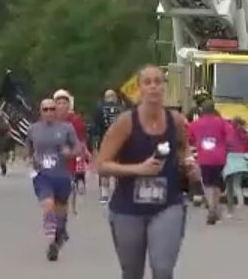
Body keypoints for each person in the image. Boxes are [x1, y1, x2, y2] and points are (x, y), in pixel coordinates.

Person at [97, 64, 198, 279]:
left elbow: (183, 149)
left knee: (163, 268)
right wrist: (139, 169)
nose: (153, 87)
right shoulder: (126, 122)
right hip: (127, 208)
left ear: (164, 87)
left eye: (158, 82)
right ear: (140, 88)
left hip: (167, 204)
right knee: (132, 272)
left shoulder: (176, 121)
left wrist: (188, 164)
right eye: (147, 82)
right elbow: (101, 164)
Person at [26, 97, 80, 261]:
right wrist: (30, 159)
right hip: (42, 175)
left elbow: (78, 148)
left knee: (61, 210)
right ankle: (51, 243)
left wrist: (69, 153)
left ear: (56, 111)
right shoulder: (34, 129)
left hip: (62, 174)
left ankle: (60, 233)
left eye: (52, 109)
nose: (49, 112)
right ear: (41, 112)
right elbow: (28, 146)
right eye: (45, 109)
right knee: (48, 205)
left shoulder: (66, 128)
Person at [188, 101, 231, 225]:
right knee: (217, 183)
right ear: (213, 110)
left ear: (202, 111)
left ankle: (211, 208)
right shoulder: (222, 122)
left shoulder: (195, 124)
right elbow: (230, 135)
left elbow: (189, 138)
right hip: (220, 158)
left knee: (207, 183)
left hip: (204, 158)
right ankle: (215, 208)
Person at [95, 89, 126, 203]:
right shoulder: (122, 108)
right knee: (119, 167)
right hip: (120, 141)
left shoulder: (100, 109)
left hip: (105, 141)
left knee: (104, 167)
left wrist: (95, 142)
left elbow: (96, 126)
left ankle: (104, 194)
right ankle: (119, 192)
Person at [223, 116, 248, 220]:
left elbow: (225, 146)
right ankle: (241, 206)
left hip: (229, 160)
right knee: (237, 186)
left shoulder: (228, 134)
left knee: (229, 188)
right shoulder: (245, 135)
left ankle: (230, 211)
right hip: (240, 160)